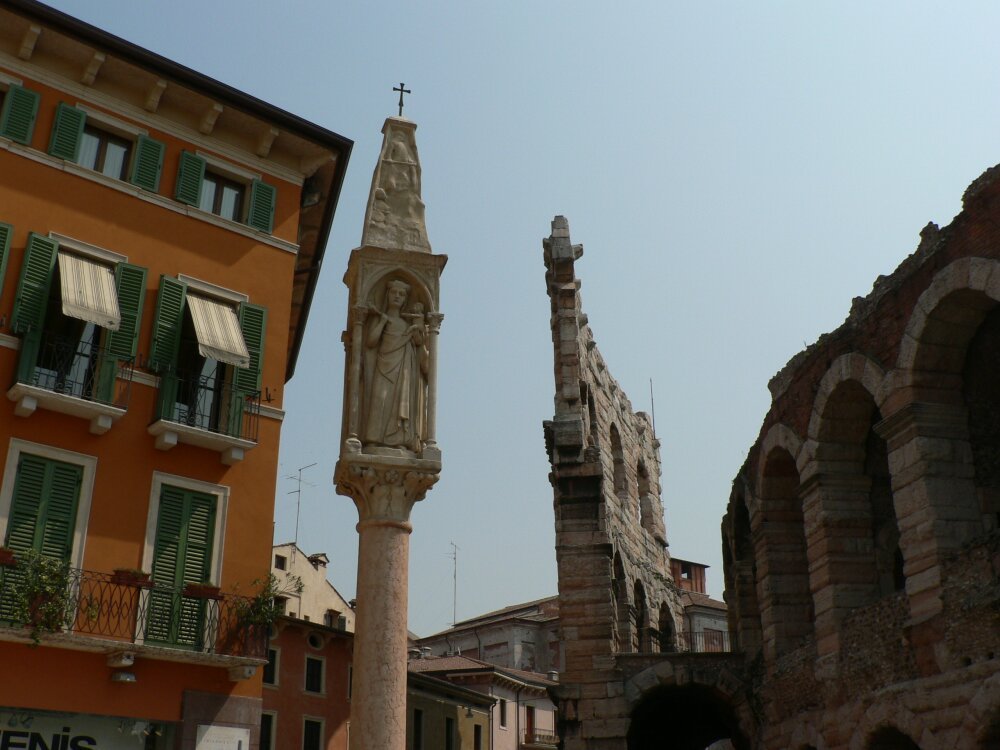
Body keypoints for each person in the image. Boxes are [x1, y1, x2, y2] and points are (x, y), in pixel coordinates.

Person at [361, 279, 427, 452]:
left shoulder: (406, 323)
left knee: (399, 403)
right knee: (379, 399)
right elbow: (370, 341)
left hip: (403, 369)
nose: (397, 296)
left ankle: (399, 440)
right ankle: (373, 439)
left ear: (405, 299)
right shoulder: (381, 318)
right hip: (383, 367)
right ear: (387, 294)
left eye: (402, 294)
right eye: (394, 293)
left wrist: (418, 326)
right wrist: (382, 321)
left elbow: (419, 342)